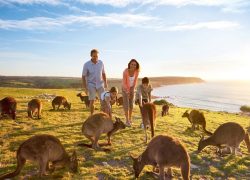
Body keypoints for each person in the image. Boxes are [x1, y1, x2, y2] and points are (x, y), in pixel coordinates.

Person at [82, 49, 107, 115]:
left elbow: (103, 73)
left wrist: (106, 83)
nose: (95, 58)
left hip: (100, 84)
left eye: (97, 56)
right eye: (94, 56)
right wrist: (85, 87)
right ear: (91, 56)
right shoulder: (86, 64)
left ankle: (103, 116)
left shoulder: (101, 63)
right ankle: (92, 116)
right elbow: (83, 76)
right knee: (92, 101)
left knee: (103, 101)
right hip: (91, 84)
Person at [122, 59, 140, 127]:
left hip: (132, 88)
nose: (133, 66)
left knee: (131, 105)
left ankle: (130, 119)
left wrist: (132, 89)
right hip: (125, 89)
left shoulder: (137, 71)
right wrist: (127, 91)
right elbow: (124, 82)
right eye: (132, 64)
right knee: (126, 105)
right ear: (129, 64)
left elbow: (135, 81)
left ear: (136, 66)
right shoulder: (125, 71)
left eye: (134, 65)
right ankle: (127, 121)